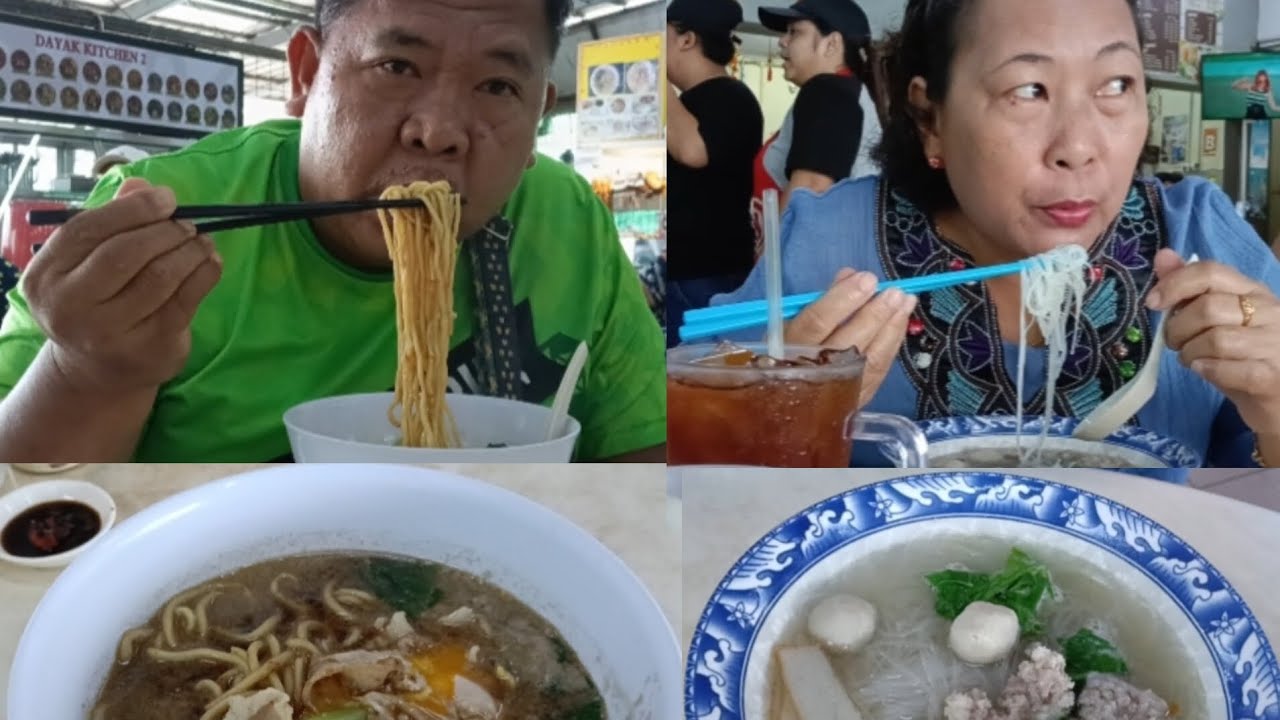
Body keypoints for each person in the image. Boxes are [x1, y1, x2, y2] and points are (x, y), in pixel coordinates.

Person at [0, 0, 666, 463]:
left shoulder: (566, 218)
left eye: (496, 86)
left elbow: (645, 458)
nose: (437, 131)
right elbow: (21, 507)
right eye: (396, 67)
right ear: (306, 73)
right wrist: (85, 370)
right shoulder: (165, 213)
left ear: (539, 116)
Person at [712, 0, 1280, 470]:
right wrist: (767, 429)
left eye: (1115, 84)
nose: (1079, 147)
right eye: (1028, 90)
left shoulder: (1200, 234)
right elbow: (696, 481)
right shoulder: (826, 241)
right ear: (930, 118)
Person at [665, 0, 764, 348]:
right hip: (686, 274)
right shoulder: (688, 102)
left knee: (698, 371)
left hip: (707, 276)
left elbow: (694, 151)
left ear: (687, 39)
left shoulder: (730, 97)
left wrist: (653, 78)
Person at [750, 0, 875, 259]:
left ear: (832, 44)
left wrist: (766, 269)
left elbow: (811, 189)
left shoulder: (828, 92)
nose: (782, 41)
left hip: (813, 270)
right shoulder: (845, 93)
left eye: (795, 32)